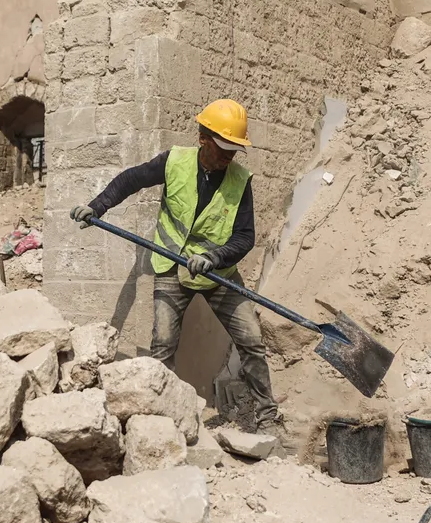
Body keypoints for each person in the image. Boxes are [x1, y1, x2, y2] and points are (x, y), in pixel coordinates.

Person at [70, 99, 282, 435]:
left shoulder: (241, 180)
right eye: (223, 148)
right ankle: (160, 421)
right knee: (164, 343)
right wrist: (97, 206)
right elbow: (130, 180)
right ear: (203, 138)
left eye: (234, 150)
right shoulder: (175, 161)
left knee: (252, 339)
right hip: (172, 266)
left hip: (217, 273)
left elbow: (245, 237)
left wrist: (214, 257)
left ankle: (268, 417)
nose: (229, 156)